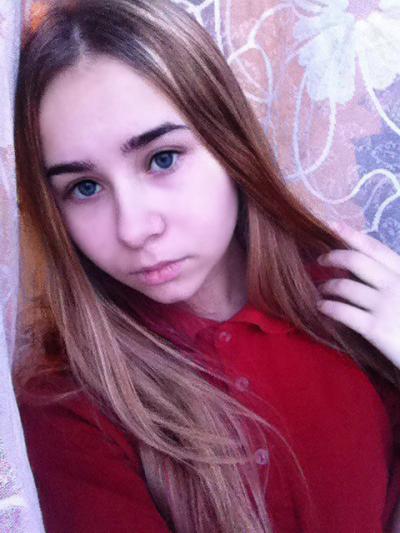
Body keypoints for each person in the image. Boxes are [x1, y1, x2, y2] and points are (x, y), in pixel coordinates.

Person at [13, 0, 400, 531]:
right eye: (84, 187)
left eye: (162, 158)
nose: (134, 229)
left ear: (229, 143)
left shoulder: (354, 303)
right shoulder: (69, 403)